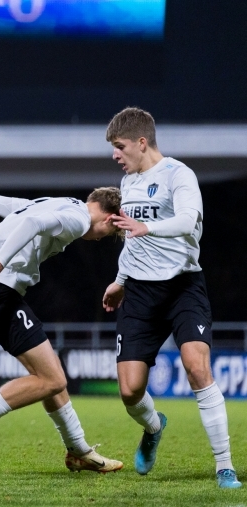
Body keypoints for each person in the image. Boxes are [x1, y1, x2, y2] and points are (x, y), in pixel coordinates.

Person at [0, 188, 124, 473]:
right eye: (106, 235)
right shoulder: (79, 220)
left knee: (51, 375)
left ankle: (79, 451)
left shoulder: (54, 203)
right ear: (109, 219)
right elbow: (32, 225)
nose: (98, 239)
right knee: (53, 379)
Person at [101, 107, 240, 488]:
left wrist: (147, 226)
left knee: (197, 367)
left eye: (120, 146)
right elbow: (131, 242)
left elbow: (188, 220)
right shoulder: (127, 182)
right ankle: (154, 425)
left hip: (182, 286)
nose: (115, 154)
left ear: (142, 143)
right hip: (140, 292)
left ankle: (224, 466)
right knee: (130, 390)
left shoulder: (179, 174)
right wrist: (120, 279)